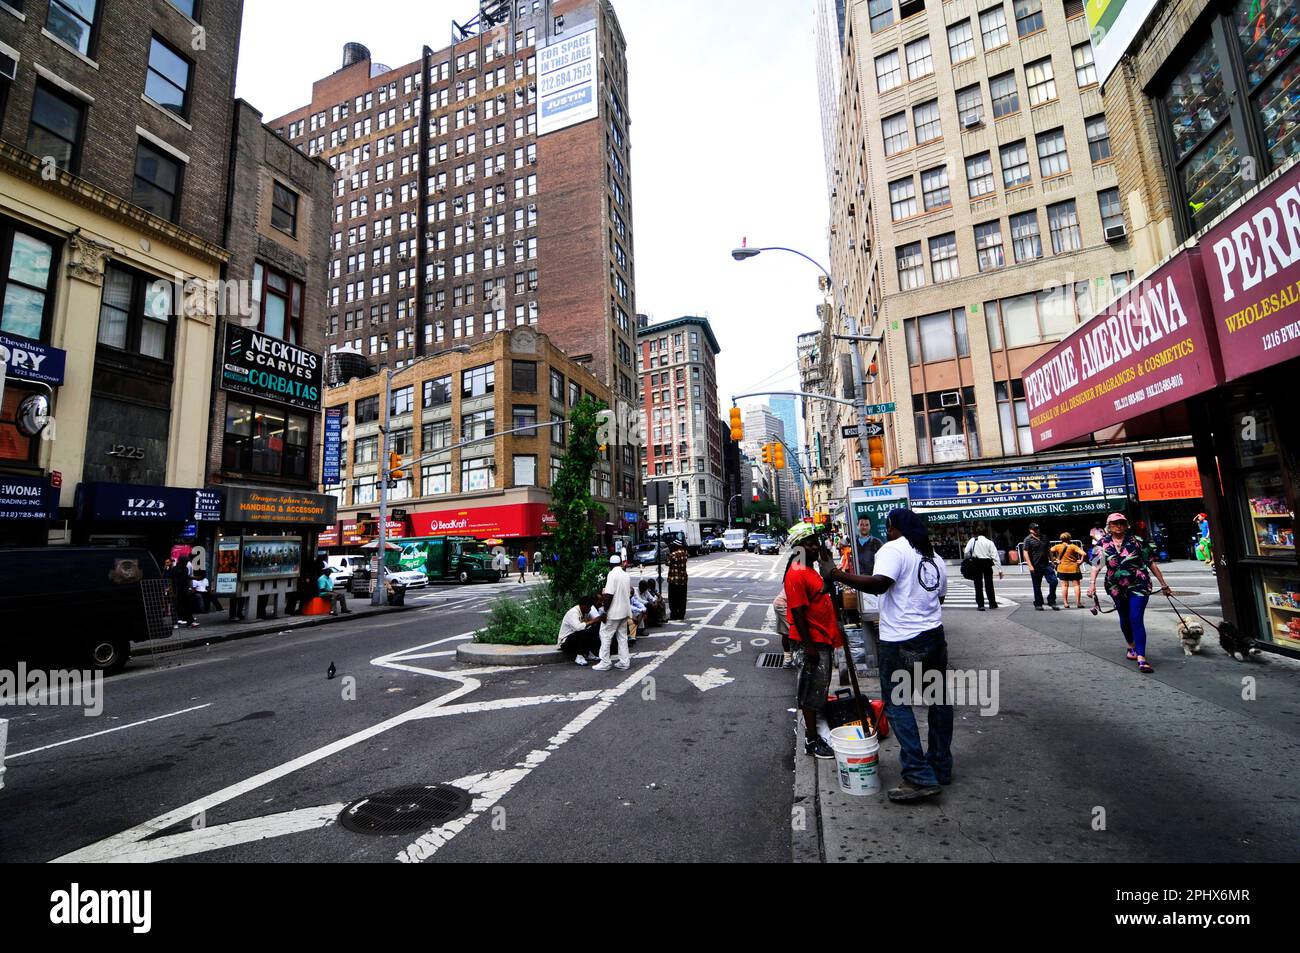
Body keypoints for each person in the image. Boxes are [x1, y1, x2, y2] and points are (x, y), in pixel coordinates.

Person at [823, 508, 951, 802]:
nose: (888, 532)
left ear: (895, 528)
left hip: (902, 641)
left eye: (889, 528)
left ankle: (919, 775)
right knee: (939, 703)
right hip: (933, 637)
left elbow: (880, 584)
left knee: (898, 705)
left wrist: (836, 574)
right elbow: (939, 596)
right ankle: (941, 766)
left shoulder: (894, 548)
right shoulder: (934, 556)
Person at [1088, 513, 1172, 674]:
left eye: (1121, 523)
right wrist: (1092, 585)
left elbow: (1151, 564)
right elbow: (1095, 566)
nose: (1118, 526)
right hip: (1115, 586)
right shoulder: (1102, 544)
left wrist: (1163, 584)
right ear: (1109, 526)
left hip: (1138, 583)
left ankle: (1142, 657)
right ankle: (1131, 645)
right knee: (1125, 618)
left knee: (1136, 618)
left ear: (1126, 525)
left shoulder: (1138, 542)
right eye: (1115, 523)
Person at [784, 525, 840, 760]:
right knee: (810, 691)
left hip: (822, 639)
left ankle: (816, 730)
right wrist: (809, 647)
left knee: (819, 689)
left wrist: (829, 567)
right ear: (798, 548)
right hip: (811, 643)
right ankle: (811, 739)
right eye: (809, 543)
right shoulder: (796, 572)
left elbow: (822, 593)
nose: (815, 546)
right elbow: (797, 612)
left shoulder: (810, 569)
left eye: (816, 541)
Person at [595, 554, 633, 671]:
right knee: (622, 637)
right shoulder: (626, 575)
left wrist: (605, 610)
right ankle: (624, 661)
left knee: (605, 635)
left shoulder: (612, 575)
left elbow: (609, 595)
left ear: (610, 565)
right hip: (625, 611)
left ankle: (605, 662)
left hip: (614, 612)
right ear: (620, 563)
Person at [1021, 523, 1059, 611]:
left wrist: (1052, 561)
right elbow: (1025, 553)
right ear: (1030, 530)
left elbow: (1048, 550)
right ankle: (1038, 603)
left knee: (1054, 581)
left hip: (1046, 564)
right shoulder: (1028, 539)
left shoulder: (1044, 537)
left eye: (1037, 528)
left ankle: (1051, 600)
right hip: (1035, 565)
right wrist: (1030, 565)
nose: (1037, 530)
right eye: (1034, 529)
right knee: (1037, 585)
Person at [963, 529, 1002, 611]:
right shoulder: (989, 542)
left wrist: (967, 560)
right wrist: (1000, 569)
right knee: (989, 584)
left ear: (976, 534)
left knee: (978, 585)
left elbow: (966, 551)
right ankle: (992, 603)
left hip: (976, 563)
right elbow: (995, 556)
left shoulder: (973, 540)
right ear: (986, 534)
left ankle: (981, 605)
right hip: (987, 563)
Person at [558, 595, 604, 666]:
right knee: (582, 631)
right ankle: (579, 656)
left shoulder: (586, 612)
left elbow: (596, 621)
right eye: (589, 607)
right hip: (566, 642)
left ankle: (588, 653)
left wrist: (599, 619)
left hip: (576, 639)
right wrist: (593, 621)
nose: (590, 609)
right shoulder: (573, 612)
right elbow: (578, 628)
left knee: (595, 628)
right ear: (583, 606)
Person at [1051, 533, 1087, 609]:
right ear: (1069, 538)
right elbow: (1084, 554)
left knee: (1064, 586)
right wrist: (1081, 561)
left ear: (1061, 539)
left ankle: (1065, 603)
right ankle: (1078, 603)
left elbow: (1049, 551)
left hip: (1062, 568)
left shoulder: (1058, 546)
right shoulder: (1073, 546)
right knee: (1076, 585)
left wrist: (1055, 559)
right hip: (1074, 569)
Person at [169, 555, 198, 628]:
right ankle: (175, 623)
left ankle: (190, 621)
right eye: (185, 562)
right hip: (177, 590)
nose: (186, 563)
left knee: (187, 606)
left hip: (184, 590)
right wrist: (173, 592)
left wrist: (189, 588)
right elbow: (172, 581)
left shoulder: (185, 569)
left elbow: (186, 579)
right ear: (182, 562)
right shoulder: (174, 570)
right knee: (175, 607)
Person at [667, 540, 689, 621]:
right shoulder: (685, 554)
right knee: (682, 598)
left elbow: (667, 562)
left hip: (674, 580)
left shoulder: (673, 554)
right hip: (683, 580)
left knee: (673, 598)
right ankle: (681, 614)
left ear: (676, 546)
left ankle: (674, 614)